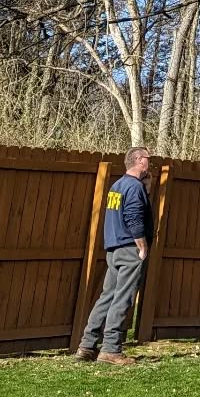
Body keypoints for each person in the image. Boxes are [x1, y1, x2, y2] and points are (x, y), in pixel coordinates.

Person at [75, 146, 153, 365]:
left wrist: (146, 186)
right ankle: (111, 349)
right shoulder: (133, 187)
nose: (150, 163)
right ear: (140, 160)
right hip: (130, 248)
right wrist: (142, 247)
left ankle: (87, 345)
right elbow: (134, 217)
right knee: (123, 298)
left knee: (107, 296)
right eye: (148, 159)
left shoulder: (117, 186)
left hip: (113, 249)